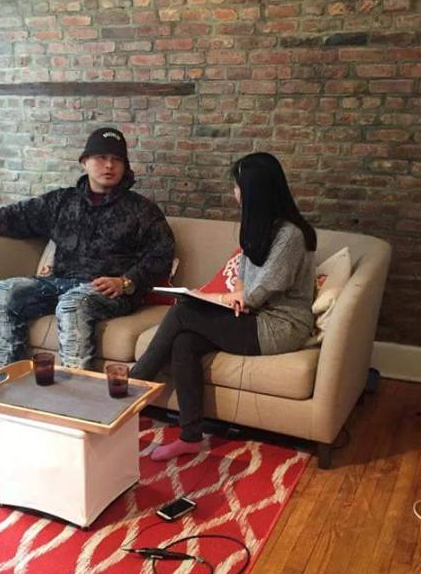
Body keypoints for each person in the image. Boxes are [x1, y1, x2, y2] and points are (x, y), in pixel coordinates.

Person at [131, 151, 316, 461]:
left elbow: (259, 293)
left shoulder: (290, 236)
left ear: (255, 190)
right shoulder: (259, 226)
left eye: (238, 186)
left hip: (281, 327)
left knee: (182, 311)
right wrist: (232, 297)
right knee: (185, 341)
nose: (234, 192)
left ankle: (131, 387)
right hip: (253, 316)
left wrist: (218, 300)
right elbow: (243, 278)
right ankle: (190, 437)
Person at [0, 127, 175, 372]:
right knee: (2, 292)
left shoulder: (142, 210)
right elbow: (15, 216)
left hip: (110, 290)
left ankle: (75, 388)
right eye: (101, 157)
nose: (109, 165)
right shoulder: (61, 202)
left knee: (72, 304)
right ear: (84, 162)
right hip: (61, 282)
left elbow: (161, 254)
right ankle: (6, 381)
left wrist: (126, 281)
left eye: (117, 159)